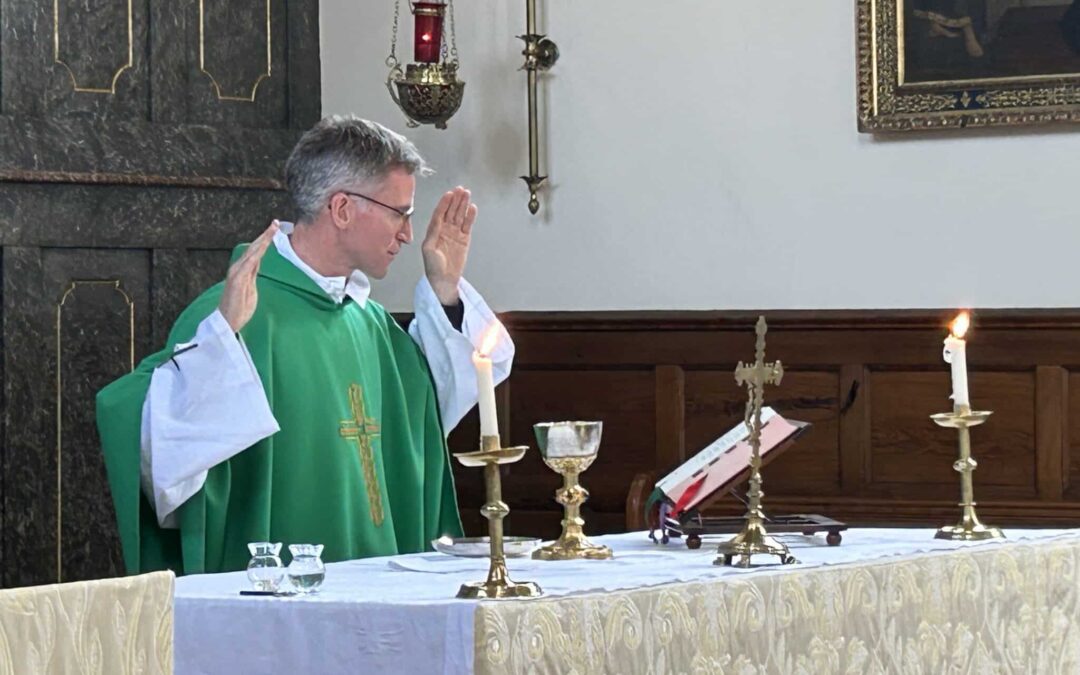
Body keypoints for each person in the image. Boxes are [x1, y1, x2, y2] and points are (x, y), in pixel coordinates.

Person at [96, 116, 513, 575]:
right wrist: (220, 347)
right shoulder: (236, 318)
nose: (407, 235)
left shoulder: (372, 326)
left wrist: (446, 291)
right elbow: (157, 445)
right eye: (400, 213)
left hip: (383, 593)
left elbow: (432, 410)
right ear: (342, 209)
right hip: (276, 607)